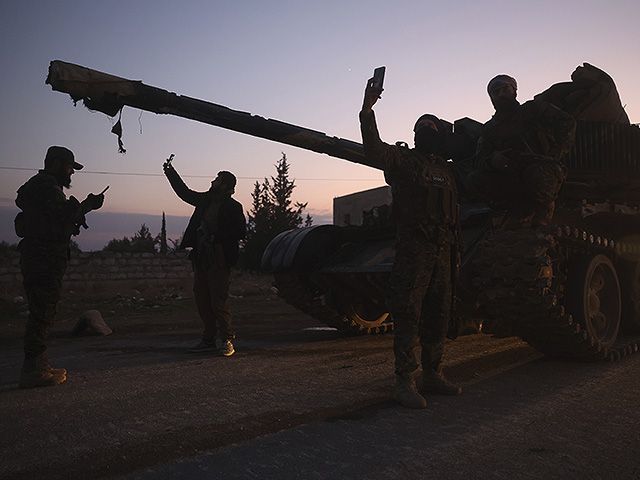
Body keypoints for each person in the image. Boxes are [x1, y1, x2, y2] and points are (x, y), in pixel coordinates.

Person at [360, 77, 463, 409]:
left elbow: (454, 214)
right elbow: (374, 150)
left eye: (430, 126)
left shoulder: (447, 171)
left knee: (438, 313)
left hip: (444, 250)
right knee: (408, 313)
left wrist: (455, 250)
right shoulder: (405, 162)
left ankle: (433, 373)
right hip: (415, 248)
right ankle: (405, 381)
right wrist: (367, 109)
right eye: (420, 127)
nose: (424, 130)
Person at [15, 146, 105, 388]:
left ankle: (39, 363)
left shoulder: (40, 185)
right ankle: (32, 369)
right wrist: (88, 204)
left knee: (43, 310)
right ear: (55, 164)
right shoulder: (46, 185)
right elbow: (64, 213)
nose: (71, 173)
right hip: (43, 258)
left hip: (41, 256)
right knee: (42, 312)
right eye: (68, 167)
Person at [465, 74, 576, 227]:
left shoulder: (534, 110)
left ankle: (545, 207)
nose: (501, 95)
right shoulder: (490, 128)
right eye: (496, 92)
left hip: (543, 169)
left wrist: (554, 154)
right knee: (474, 179)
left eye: (505, 89)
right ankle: (520, 211)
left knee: (536, 175)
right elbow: (479, 159)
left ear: (514, 91)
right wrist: (492, 161)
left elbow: (567, 122)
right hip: (510, 176)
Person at [163, 159, 246, 357]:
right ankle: (208, 339)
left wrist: (217, 236)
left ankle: (227, 339)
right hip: (201, 258)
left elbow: (240, 232)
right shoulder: (206, 200)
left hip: (220, 259)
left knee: (218, 300)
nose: (212, 182)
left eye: (216, 180)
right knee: (202, 299)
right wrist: (170, 172)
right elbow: (185, 193)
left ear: (224, 185)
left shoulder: (234, 207)